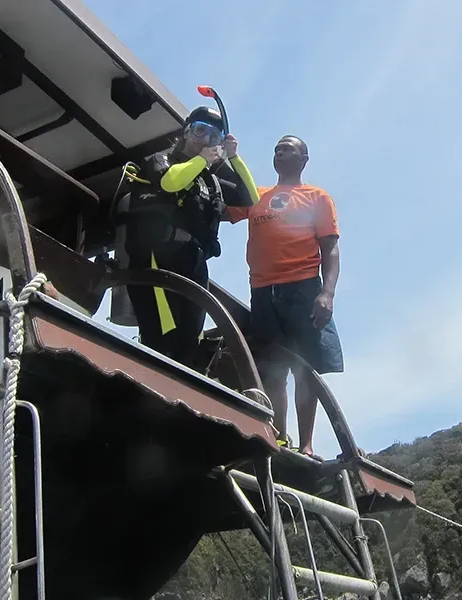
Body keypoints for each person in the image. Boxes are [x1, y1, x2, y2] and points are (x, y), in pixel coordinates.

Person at [223, 135, 343, 458]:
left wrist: (327, 293)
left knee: (305, 368)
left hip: (303, 288)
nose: (279, 152)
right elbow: (222, 210)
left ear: (304, 159)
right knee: (272, 368)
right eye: (276, 149)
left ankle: (306, 445)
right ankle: (279, 438)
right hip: (263, 292)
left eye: (287, 149)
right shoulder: (257, 195)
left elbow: (331, 249)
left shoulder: (317, 197)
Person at [123, 106, 259, 368]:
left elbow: (250, 198)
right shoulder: (161, 160)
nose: (205, 139)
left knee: (190, 340)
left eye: (214, 136)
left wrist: (233, 158)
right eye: (199, 130)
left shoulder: (209, 178)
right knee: (163, 339)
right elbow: (170, 183)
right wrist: (203, 160)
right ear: (186, 131)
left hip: (194, 262)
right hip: (156, 258)